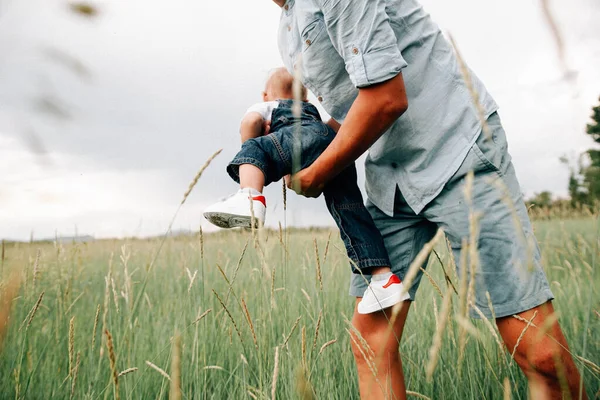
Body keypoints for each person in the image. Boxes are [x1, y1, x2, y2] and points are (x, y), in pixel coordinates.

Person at [270, 0, 587, 399]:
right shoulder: (287, 27)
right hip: (391, 173)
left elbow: (386, 98)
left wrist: (317, 174)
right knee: (372, 337)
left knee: (537, 353)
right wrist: (294, 151)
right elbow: (354, 104)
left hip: (458, 150)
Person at [204, 67, 410, 314]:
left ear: (265, 95)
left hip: (297, 138)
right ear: (306, 98)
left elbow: (250, 122)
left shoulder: (268, 106)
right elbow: (323, 134)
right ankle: (384, 279)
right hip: (331, 141)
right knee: (350, 210)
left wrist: (251, 144)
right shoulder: (312, 111)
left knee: (255, 150)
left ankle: (249, 196)